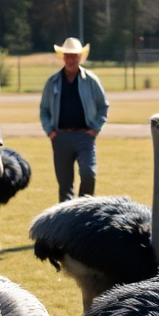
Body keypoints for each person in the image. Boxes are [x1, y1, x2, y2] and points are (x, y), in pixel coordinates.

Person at [40, 37, 110, 202]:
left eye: (74, 56)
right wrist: (50, 131)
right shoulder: (53, 82)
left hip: (85, 136)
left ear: (80, 57)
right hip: (61, 137)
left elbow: (103, 106)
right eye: (68, 56)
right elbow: (44, 109)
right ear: (63, 57)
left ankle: (83, 208)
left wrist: (95, 128)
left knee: (88, 174)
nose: (71, 60)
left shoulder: (91, 81)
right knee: (65, 185)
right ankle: (66, 216)